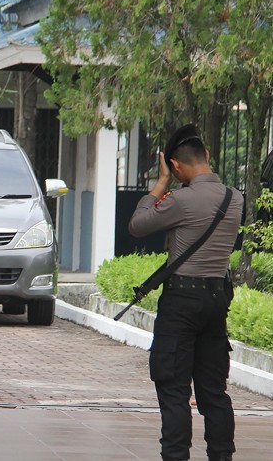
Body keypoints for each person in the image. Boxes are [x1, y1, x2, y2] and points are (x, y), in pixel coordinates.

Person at [129, 124, 242, 461]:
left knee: (174, 388)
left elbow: (137, 225)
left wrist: (161, 184)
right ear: (207, 155)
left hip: (182, 302)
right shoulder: (235, 198)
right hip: (216, 300)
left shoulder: (181, 198)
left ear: (176, 166)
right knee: (214, 392)